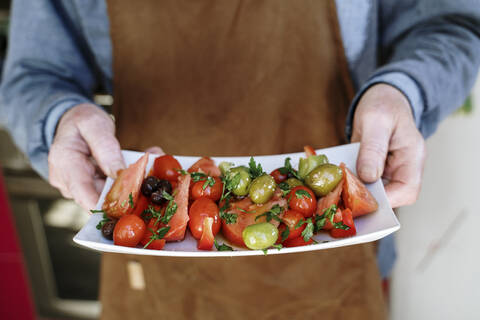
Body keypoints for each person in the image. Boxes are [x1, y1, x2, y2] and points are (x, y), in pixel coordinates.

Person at [1, 0, 479, 319]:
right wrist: (57, 119)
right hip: (152, 272)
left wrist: (405, 90)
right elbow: (31, 75)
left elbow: (449, 23)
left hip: (330, 274)